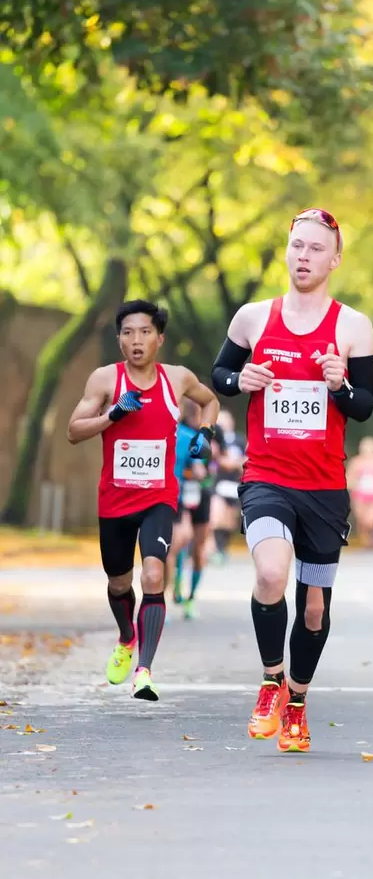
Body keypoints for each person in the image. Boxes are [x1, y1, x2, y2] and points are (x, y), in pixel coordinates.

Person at [211, 208, 373, 752]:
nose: (303, 256)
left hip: (324, 488)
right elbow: (220, 374)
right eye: (296, 246)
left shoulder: (352, 326)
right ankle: (270, 682)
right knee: (269, 575)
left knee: (314, 609)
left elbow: (365, 405)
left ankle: (298, 704)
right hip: (267, 478)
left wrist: (339, 385)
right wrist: (241, 378)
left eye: (315, 248)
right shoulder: (253, 318)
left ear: (335, 259)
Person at [67, 300, 219, 701]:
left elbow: (210, 401)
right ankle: (126, 637)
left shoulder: (178, 378)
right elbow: (73, 431)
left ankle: (145, 671)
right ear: (119, 339)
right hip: (115, 501)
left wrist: (206, 433)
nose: (136, 340)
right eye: (128, 332)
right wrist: (112, 415)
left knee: (153, 574)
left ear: (159, 339)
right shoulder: (105, 379)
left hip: (158, 497)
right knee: (119, 582)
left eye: (145, 332)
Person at [168, 400, 221, 619]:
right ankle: (181, 590)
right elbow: (200, 468)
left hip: (199, 494)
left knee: (194, 546)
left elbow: (213, 463)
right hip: (182, 494)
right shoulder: (183, 434)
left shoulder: (211, 433)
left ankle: (187, 595)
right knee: (181, 542)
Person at [210, 410, 246, 565]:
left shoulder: (239, 440)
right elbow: (216, 459)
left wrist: (235, 463)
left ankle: (222, 548)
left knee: (229, 521)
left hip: (235, 485)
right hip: (219, 484)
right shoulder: (215, 440)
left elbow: (246, 459)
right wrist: (229, 462)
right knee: (216, 517)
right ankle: (215, 550)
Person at [346, 436, 373, 548]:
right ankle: (366, 541)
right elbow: (348, 478)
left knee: (372, 520)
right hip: (359, 495)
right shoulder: (356, 462)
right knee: (361, 519)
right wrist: (354, 483)